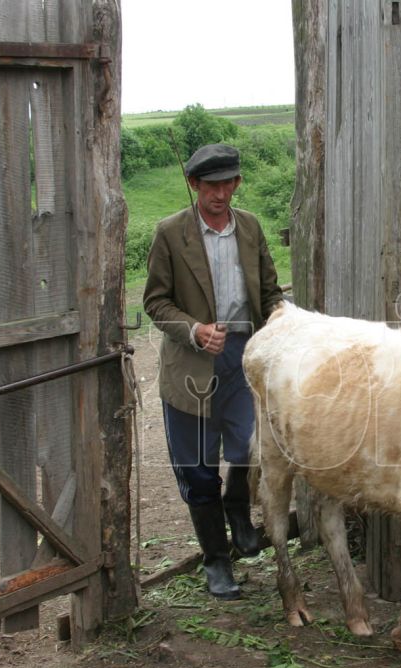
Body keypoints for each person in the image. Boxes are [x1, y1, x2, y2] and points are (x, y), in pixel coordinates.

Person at [142, 143, 285, 600]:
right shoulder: (171, 233)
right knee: (199, 468)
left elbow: (269, 292)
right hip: (191, 365)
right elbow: (155, 302)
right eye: (211, 186)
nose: (220, 194)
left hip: (243, 358)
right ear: (194, 184)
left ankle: (238, 509)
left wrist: (283, 323)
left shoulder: (250, 227)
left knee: (246, 446)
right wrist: (195, 330)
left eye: (228, 184)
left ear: (237, 183)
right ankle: (216, 561)